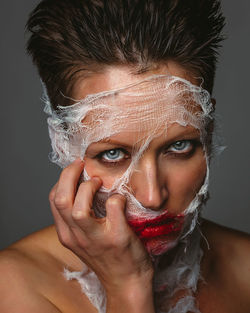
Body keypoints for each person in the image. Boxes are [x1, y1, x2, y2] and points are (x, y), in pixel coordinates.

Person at [0, 1, 250, 313]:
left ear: (208, 135)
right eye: (113, 154)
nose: (152, 196)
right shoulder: (13, 287)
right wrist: (128, 286)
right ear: (63, 145)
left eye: (179, 147)